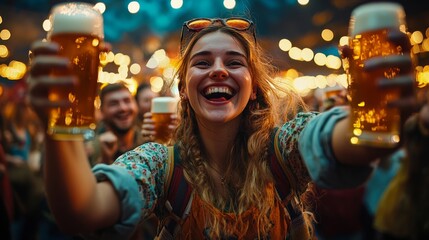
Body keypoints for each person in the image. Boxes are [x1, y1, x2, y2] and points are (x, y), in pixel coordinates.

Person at [27, 17, 428, 239]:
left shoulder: (283, 147)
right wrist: (57, 126)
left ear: (253, 88)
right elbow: (81, 212)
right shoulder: (159, 163)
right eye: (202, 63)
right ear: (184, 90)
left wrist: (373, 114)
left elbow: (339, 141)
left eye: (234, 62)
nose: (218, 69)